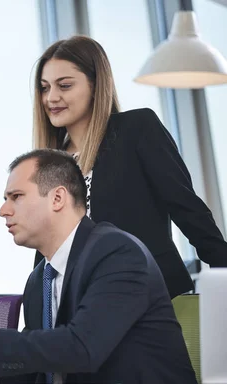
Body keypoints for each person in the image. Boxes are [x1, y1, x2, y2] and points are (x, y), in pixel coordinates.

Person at [0, 149, 197, 384]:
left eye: (15, 196)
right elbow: (40, 366)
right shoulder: (39, 279)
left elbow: (82, 347)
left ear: (57, 198)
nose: (3, 210)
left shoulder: (117, 252)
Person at [32, 35, 227, 298]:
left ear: (95, 84)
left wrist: (223, 275)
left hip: (146, 295)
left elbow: (187, 209)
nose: (51, 98)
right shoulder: (49, 164)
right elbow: (47, 249)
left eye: (64, 85)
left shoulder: (136, 129)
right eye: (44, 88)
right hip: (79, 303)